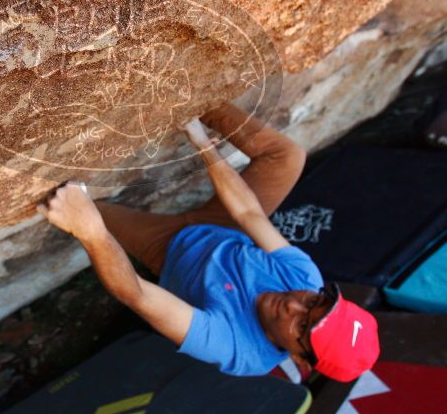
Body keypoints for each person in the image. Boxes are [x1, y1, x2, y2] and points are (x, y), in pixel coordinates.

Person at [37, 102, 379, 382]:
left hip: (166, 249)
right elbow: (249, 213)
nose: (295, 304)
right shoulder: (306, 279)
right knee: (288, 156)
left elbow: (137, 295)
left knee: (65, 198)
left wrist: (91, 231)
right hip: (228, 226)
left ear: (299, 358)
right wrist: (200, 139)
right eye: (314, 301)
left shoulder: (238, 350)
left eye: (302, 325)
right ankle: (200, 99)